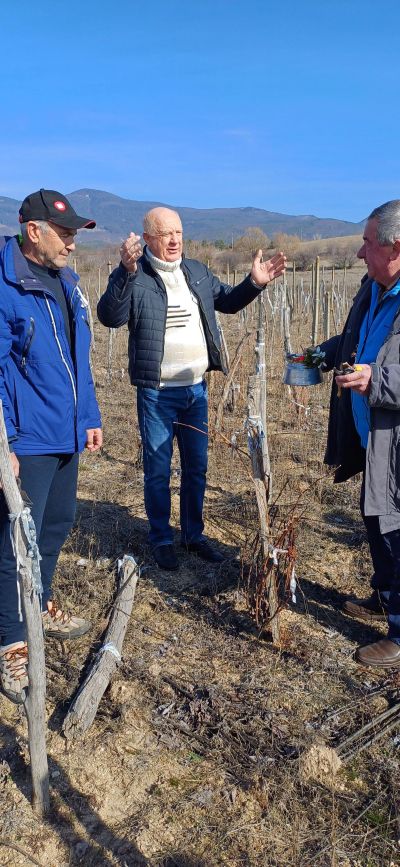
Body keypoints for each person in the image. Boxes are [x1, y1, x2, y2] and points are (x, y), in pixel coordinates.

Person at [97, 207, 285, 571]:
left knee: (197, 467)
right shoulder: (135, 276)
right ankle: (161, 538)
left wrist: (255, 283)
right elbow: (110, 317)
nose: (174, 240)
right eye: (166, 233)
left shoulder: (196, 271)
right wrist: (124, 272)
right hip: (157, 392)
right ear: (147, 238)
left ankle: (193, 535)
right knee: (158, 469)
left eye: (179, 233)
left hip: (195, 391)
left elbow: (228, 302)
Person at [0, 189, 102, 703]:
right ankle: (11, 642)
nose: (72, 245)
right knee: (15, 539)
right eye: (64, 235)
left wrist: (89, 416)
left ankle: (37, 605)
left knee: (56, 524)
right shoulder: (6, 283)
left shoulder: (66, 282)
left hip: (65, 432)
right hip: (26, 439)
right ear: (33, 231)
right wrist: (4, 444)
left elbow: (78, 361)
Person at [320, 199, 400, 668]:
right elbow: (354, 341)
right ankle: (386, 597)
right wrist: (319, 354)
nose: (358, 252)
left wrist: (377, 381)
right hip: (373, 438)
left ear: (395, 247)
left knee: (397, 529)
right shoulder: (372, 287)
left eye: (368, 243)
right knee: (375, 519)